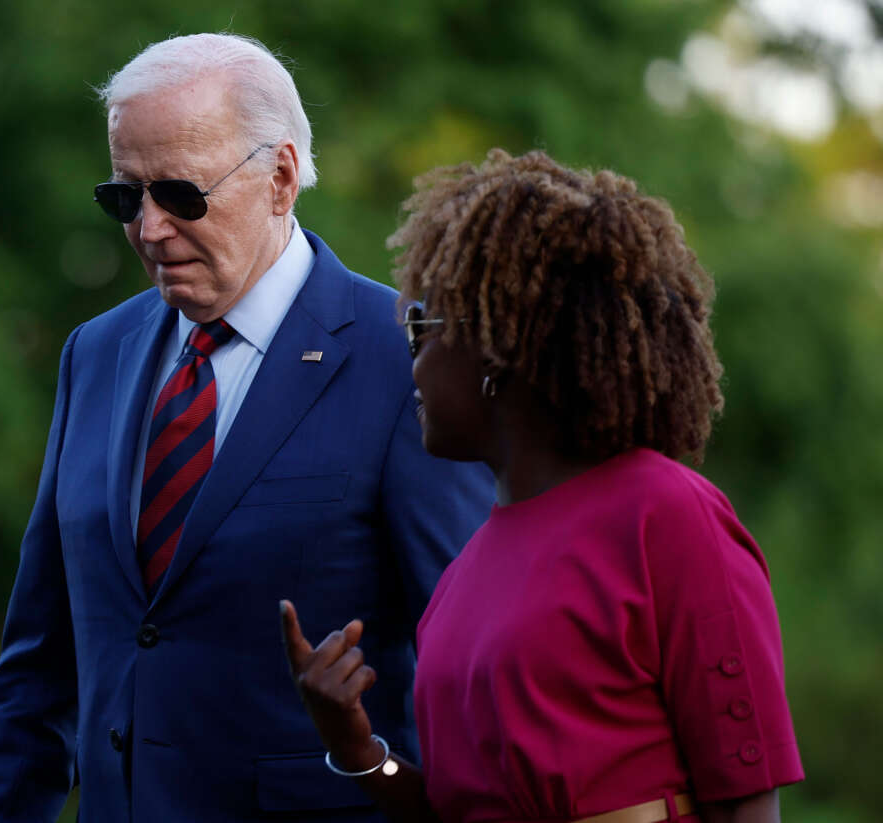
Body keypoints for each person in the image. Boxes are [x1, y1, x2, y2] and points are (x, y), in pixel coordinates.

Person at [0, 33, 495, 823]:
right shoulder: (95, 354)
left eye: (180, 194)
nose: (148, 229)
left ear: (280, 177)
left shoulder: (407, 356)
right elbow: (39, 670)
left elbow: (476, 663)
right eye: (124, 198)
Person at [282, 149, 804, 823]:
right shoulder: (462, 574)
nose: (409, 361)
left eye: (421, 329)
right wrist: (359, 749)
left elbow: (746, 797)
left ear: (497, 346)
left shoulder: (667, 515)